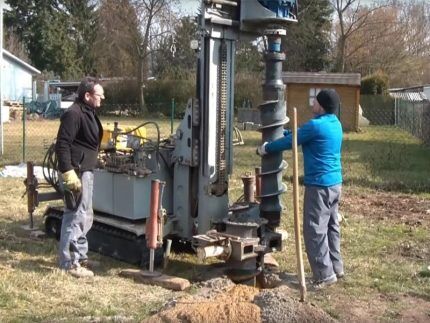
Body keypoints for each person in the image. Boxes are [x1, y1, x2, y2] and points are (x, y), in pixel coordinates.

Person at [257, 89, 344, 289]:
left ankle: (324, 274)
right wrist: (283, 132)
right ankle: (336, 267)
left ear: (320, 105)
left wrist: (266, 148)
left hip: (319, 186)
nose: (312, 103)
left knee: (314, 230)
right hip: (335, 184)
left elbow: (291, 141)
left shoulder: (315, 125)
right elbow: (298, 135)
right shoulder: (335, 124)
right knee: (331, 226)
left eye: (315, 101)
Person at [55, 77, 104, 278]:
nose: (103, 98)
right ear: (87, 95)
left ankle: (80, 256)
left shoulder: (87, 112)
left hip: (86, 170)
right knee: (75, 215)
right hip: (76, 171)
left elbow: (86, 141)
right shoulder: (73, 114)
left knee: (85, 215)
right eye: (99, 95)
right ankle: (70, 262)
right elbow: (62, 144)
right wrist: (68, 171)